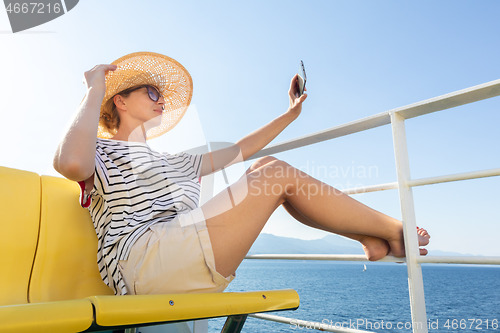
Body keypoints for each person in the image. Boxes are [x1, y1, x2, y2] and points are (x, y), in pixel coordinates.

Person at [53, 52, 430, 296]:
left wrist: (290, 114)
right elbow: (70, 164)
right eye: (152, 92)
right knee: (274, 174)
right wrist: (94, 88)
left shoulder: (171, 161)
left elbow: (241, 150)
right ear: (120, 99)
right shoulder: (101, 150)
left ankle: (370, 238)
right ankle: (393, 230)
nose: (161, 100)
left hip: (175, 250)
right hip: (144, 264)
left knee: (265, 168)